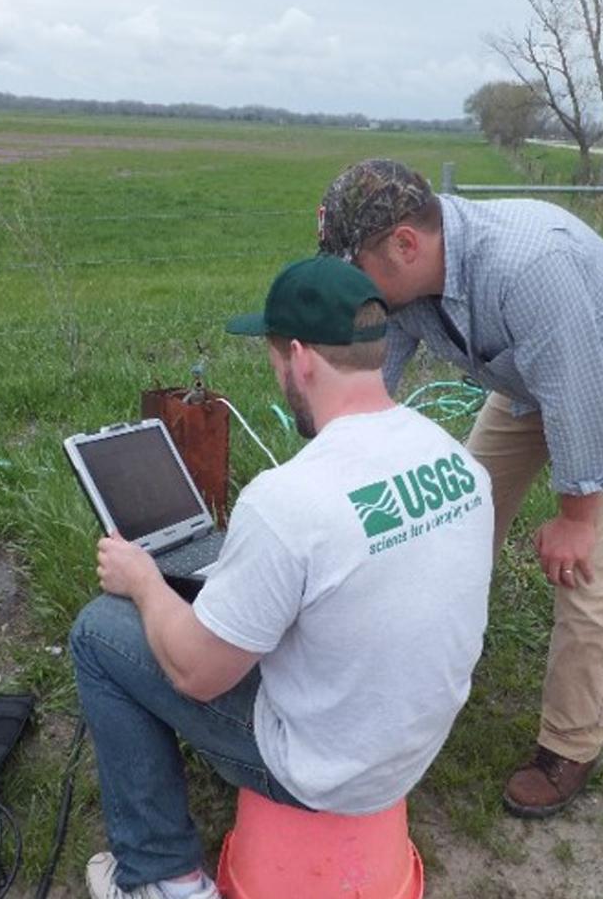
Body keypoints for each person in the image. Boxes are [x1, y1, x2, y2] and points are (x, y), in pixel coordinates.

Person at [69, 255, 493, 899]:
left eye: (272, 358)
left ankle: (160, 878)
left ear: (298, 358)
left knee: (100, 632)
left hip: (325, 771)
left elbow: (197, 674)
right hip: (413, 743)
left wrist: (145, 581)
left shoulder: (286, 500)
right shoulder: (455, 459)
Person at [316, 157, 603, 817]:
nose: (345, 281)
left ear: (405, 244)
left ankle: (572, 744)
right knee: (461, 515)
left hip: (593, 378)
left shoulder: (529, 268)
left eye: (350, 264)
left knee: (583, 574)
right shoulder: (399, 288)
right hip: (527, 383)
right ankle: (433, 671)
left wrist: (577, 520)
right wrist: (323, 476)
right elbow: (367, 387)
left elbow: (578, 396)